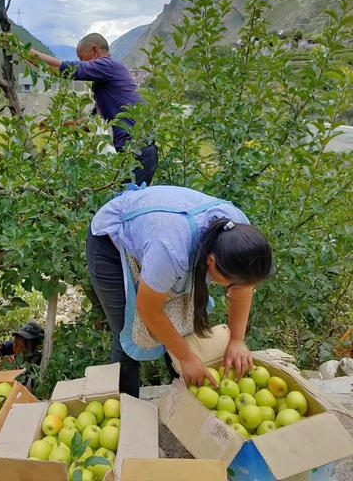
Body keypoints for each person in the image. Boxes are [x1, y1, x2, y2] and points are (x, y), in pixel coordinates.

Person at [86, 184, 273, 398]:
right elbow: (148, 310)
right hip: (112, 240)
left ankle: (184, 406)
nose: (238, 287)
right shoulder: (170, 253)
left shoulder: (240, 235)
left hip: (165, 233)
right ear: (211, 262)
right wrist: (186, 358)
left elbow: (243, 287)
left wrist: (237, 340)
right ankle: (127, 417)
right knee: (128, 335)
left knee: (182, 331)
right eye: (231, 283)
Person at [19, 32, 158, 186]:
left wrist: (19, 48)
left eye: (81, 58)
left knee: (124, 202)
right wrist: (60, 125)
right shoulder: (104, 81)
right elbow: (91, 123)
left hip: (138, 151)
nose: (81, 62)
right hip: (137, 151)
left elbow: (63, 69)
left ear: (94, 51)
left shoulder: (108, 65)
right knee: (121, 200)